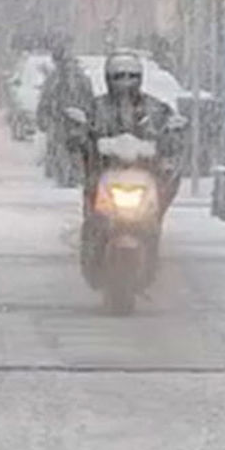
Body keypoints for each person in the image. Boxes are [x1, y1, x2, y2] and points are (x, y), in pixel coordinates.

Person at [69, 50, 183, 286]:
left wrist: (171, 137)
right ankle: (92, 256)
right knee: (93, 212)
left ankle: (151, 257)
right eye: (119, 76)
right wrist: (80, 137)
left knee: (155, 212)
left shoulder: (156, 109)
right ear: (108, 78)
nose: (125, 81)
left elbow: (171, 135)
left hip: (142, 174)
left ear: (140, 77)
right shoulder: (96, 108)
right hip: (105, 173)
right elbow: (80, 133)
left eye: (131, 75)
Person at [36, 40, 94, 186]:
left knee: (62, 146)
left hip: (61, 119)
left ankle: (66, 175)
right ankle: (73, 174)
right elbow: (89, 97)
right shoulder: (81, 76)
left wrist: (43, 115)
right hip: (75, 119)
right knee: (75, 147)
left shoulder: (56, 77)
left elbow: (46, 98)